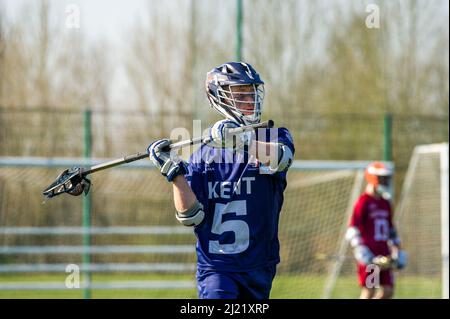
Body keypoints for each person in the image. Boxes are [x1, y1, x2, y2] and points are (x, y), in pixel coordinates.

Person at [147, 62, 295, 299]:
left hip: (260, 266)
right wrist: (174, 174)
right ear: (221, 98)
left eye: (251, 92)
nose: (250, 99)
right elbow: (191, 217)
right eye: (241, 94)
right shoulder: (203, 154)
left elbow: (282, 159)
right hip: (217, 267)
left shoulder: (273, 136)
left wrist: (241, 141)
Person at [345, 161, 407, 299]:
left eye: (386, 178)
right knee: (370, 290)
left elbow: (391, 230)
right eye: (381, 178)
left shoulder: (385, 203)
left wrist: (398, 250)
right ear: (373, 178)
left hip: (385, 256)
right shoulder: (363, 202)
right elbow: (353, 229)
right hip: (371, 257)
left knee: (388, 291)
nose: (385, 181)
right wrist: (361, 250)